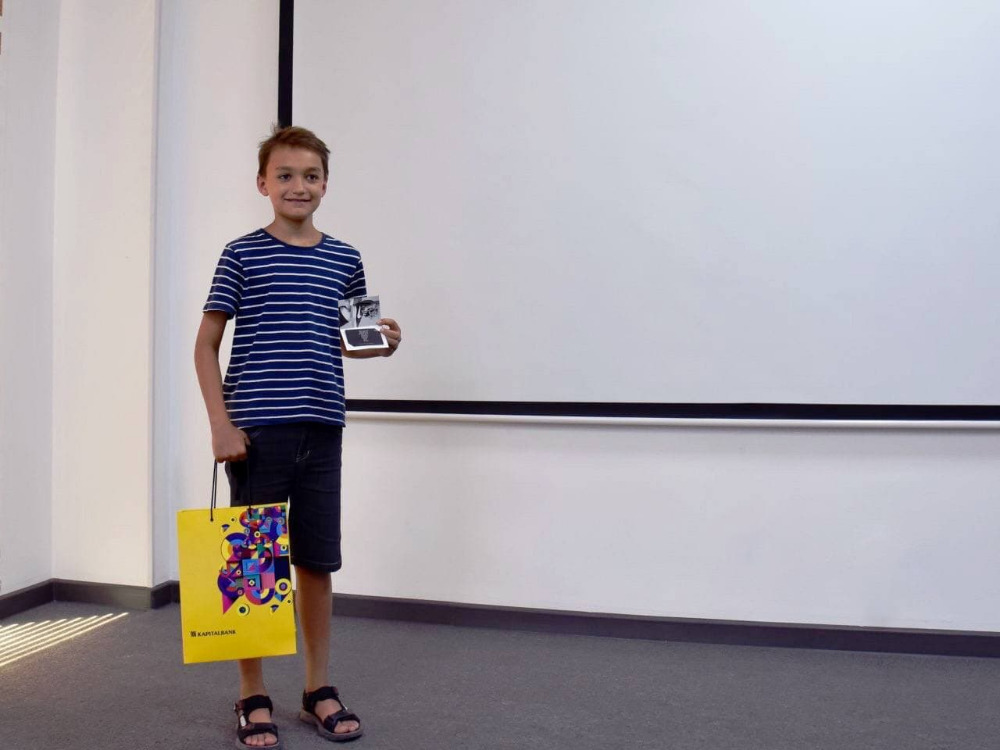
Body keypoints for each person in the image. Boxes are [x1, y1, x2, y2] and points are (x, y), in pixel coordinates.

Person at [194, 125, 401, 748]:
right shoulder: (241, 254)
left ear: (326, 185)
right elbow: (206, 345)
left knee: (316, 561)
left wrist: (382, 343)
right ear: (263, 183)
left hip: (322, 429)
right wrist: (220, 424)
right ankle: (252, 693)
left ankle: (316, 689)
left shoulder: (346, 258)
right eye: (285, 175)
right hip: (257, 434)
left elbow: (353, 342)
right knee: (253, 563)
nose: (298, 186)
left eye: (311, 176)